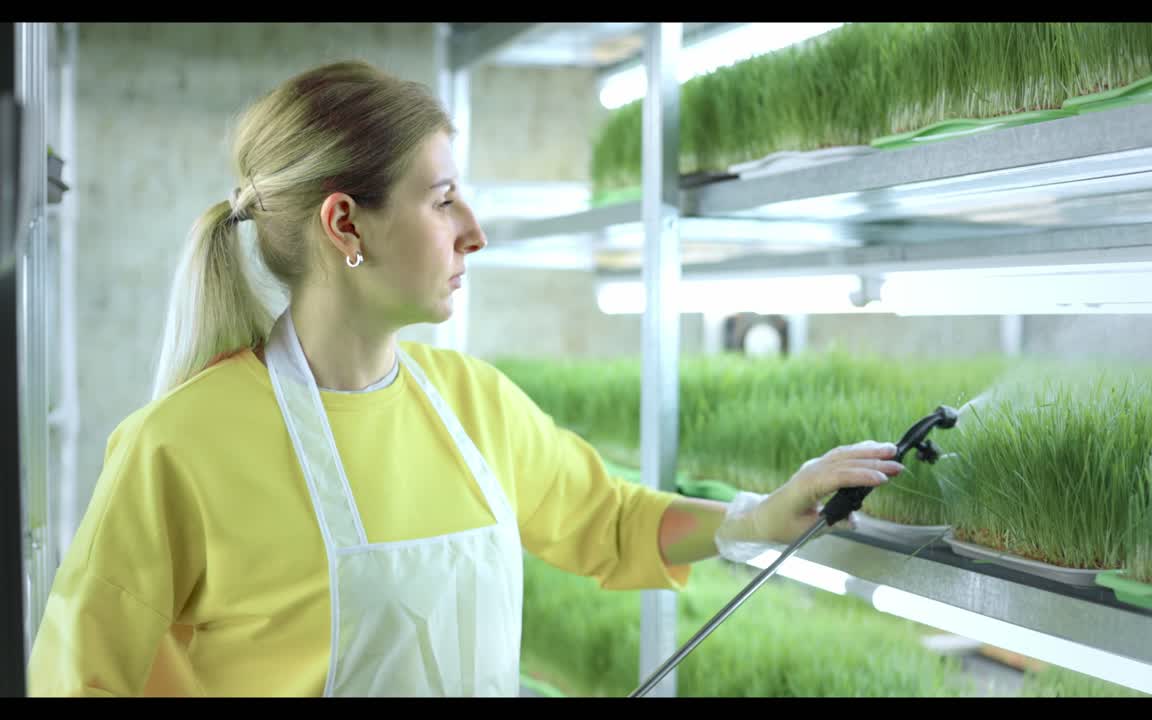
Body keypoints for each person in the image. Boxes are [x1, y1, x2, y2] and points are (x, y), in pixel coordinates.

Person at [27, 59, 904, 698]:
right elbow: (79, 679)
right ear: (345, 224)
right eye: (443, 198)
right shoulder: (178, 447)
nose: (474, 231)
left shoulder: (469, 401)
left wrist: (758, 518)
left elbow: (609, 522)